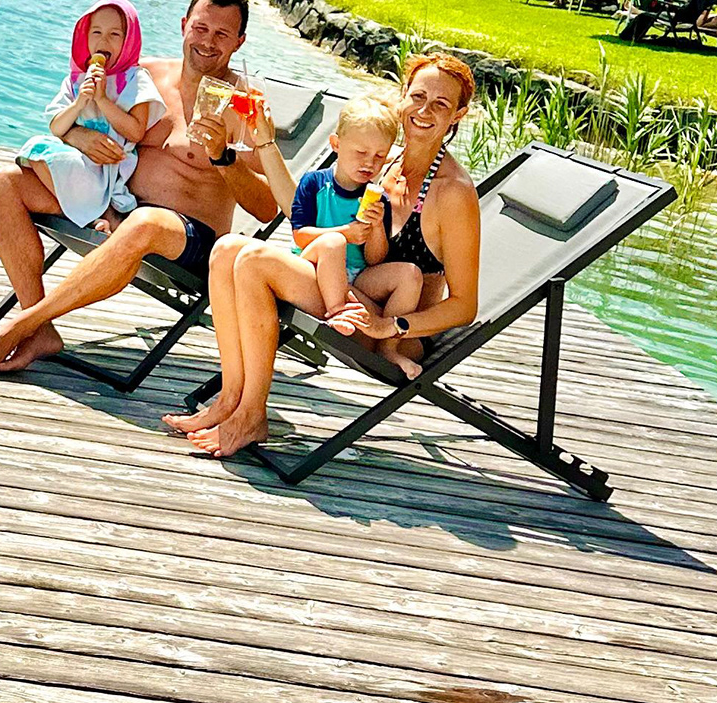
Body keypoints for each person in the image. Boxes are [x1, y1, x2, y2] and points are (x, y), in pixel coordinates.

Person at [169, 52, 483, 460]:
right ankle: (230, 398)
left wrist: (392, 326)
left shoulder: (454, 194)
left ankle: (251, 414)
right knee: (227, 248)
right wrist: (263, 140)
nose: (424, 111)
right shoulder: (382, 162)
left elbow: (465, 306)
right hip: (346, 292)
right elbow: (299, 207)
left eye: (441, 104)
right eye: (418, 96)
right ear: (403, 96)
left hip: (389, 331)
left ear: (458, 114)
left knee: (253, 261)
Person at [0, 0, 278, 379]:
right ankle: (41, 329)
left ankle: (19, 325)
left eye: (222, 34)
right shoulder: (141, 75)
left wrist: (223, 156)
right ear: (183, 24)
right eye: (200, 28)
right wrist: (78, 136)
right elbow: (76, 113)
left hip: (190, 237)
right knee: (4, 181)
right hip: (115, 207)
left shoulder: (244, 104)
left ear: (240, 41)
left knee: (145, 223)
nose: (208, 41)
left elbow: (268, 206)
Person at [282, 94, 424, 356]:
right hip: (314, 265)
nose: (369, 163)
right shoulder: (314, 183)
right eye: (361, 152)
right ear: (336, 144)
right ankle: (338, 313)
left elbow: (374, 259)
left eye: (380, 156)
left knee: (410, 274)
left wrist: (377, 227)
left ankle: (388, 347)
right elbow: (301, 236)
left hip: (357, 276)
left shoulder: (378, 198)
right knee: (333, 242)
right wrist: (345, 233)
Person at [12, 0, 163, 228]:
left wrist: (102, 100)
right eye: (96, 32)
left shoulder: (135, 79)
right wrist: (79, 102)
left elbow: (135, 132)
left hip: (111, 168)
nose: (104, 40)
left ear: (129, 41)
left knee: (41, 154)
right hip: (81, 160)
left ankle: (97, 214)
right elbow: (56, 127)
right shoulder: (77, 79)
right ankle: (89, 213)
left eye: (115, 34)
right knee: (35, 150)